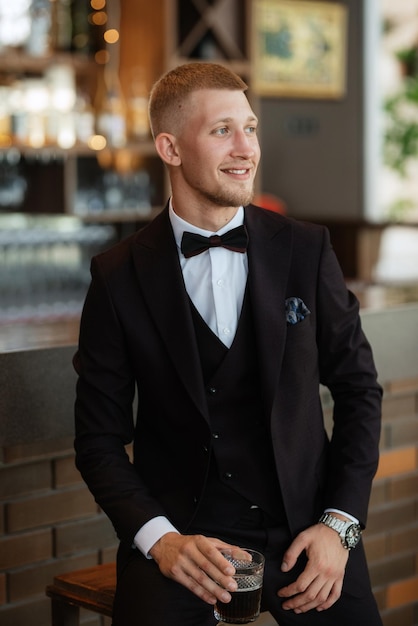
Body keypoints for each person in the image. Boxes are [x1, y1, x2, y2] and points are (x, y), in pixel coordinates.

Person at [73, 62, 383, 626]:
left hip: (307, 530)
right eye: (222, 131)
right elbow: (97, 441)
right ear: (169, 147)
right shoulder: (117, 275)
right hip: (183, 538)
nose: (247, 149)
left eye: (252, 128)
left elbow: (360, 390)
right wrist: (161, 541)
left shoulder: (307, 249)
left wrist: (340, 525)